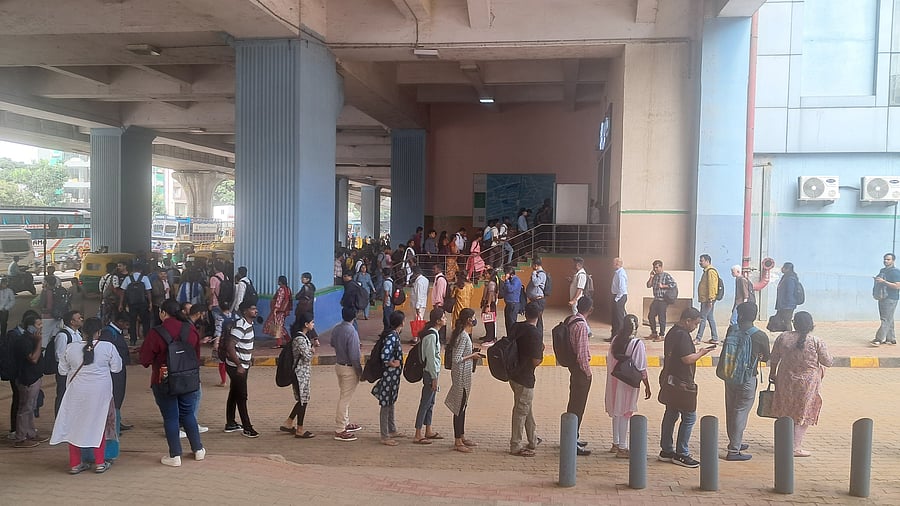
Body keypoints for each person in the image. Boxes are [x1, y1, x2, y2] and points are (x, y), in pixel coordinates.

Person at [50, 317, 121, 474]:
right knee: (99, 425)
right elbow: (117, 368)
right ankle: (100, 463)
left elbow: (62, 371)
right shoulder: (108, 347)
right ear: (99, 332)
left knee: (74, 426)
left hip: (76, 393)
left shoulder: (70, 347)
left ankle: (75, 464)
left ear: (82, 331)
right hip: (100, 394)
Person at [139, 299, 205, 466]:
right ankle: (198, 450)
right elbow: (196, 356)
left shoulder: (156, 332)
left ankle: (175, 456)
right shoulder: (190, 329)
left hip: (164, 381)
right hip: (189, 379)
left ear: (163, 313)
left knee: (171, 417)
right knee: (188, 413)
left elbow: (145, 360)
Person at [769, 311, 834, 457]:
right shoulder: (816, 341)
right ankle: (795, 447)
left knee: (785, 411)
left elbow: (774, 358)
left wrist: (772, 373)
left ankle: (782, 442)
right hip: (808, 383)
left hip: (785, 379)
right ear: (811, 324)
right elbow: (828, 362)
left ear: (794, 323)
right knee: (803, 413)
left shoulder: (783, 337)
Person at [658, 307, 714, 468]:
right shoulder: (682, 336)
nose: (695, 327)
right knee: (689, 417)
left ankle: (666, 450)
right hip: (682, 383)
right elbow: (688, 359)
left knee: (671, 413)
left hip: (670, 379)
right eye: (695, 324)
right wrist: (702, 352)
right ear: (687, 320)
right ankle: (681, 453)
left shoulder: (672, 332)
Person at [718, 302, 770, 461]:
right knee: (741, 411)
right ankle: (734, 450)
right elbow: (766, 357)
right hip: (747, 378)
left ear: (739, 315)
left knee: (731, 409)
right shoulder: (759, 335)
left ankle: (735, 441)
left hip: (729, 376)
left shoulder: (731, 330)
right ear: (755, 316)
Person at [606, 313, 650, 459]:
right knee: (625, 412)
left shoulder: (615, 341)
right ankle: (623, 448)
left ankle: (616, 442)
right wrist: (647, 385)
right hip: (628, 383)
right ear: (636, 327)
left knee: (617, 412)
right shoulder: (637, 344)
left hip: (615, 381)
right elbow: (641, 367)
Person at [508, 302, 544, 457]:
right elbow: (536, 361)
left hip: (513, 374)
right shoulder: (535, 334)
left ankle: (533, 439)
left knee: (525, 407)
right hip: (525, 377)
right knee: (521, 410)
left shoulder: (516, 327)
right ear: (539, 314)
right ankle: (515, 444)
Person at [444, 308, 481, 453]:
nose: (474, 320)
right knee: (459, 408)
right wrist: (471, 356)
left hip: (465, 375)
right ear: (468, 320)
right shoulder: (464, 336)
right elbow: (456, 358)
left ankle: (462, 436)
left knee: (463, 406)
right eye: (473, 317)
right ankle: (457, 440)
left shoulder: (464, 334)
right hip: (461, 376)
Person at [221, 301, 259, 438]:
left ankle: (230, 423)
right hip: (236, 367)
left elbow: (245, 344)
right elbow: (230, 346)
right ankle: (247, 428)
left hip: (243, 365)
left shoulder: (249, 324)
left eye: (255, 308)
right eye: (252, 308)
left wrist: (248, 359)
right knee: (242, 396)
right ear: (244, 311)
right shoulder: (240, 325)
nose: (255, 310)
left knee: (234, 393)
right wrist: (239, 365)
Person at [11, 313, 48, 448]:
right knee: (25, 408)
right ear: (30, 327)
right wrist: (39, 342)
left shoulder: (30, 339)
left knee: (30, 407)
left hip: (34, 378)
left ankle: (30, 433)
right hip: (27, 379)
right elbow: (33, 359)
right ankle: (20, 437)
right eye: (38, 325)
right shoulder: (24, 341)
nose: (41, 327)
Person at [372, 310, 406, 446]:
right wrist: (393, 363)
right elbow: (385, 354)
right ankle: (384, 435)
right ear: (401, 323)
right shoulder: (392, 336)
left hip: (393, 376)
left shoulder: (394, 334)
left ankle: (391, 429)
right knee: (386, 403)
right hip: (389, 375)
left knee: (391, 401)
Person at [566, 297, 594, 456]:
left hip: (572, 368)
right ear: (590, 310)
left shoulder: (571, 320)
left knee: (573, 403)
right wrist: (588, 373)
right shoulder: (582, 326)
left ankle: (571, 436)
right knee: (578, 406)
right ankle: (572, 441)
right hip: (580, 371)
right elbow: (582, 355)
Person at [281, 312, 316, 439]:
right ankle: (300, 429)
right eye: (312, 322)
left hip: (303, 373)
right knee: (303, 401)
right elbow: (307, 357)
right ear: (306, 324)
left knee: (303, 399)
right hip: (299, 374)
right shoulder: (300, 339)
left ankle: (289, 423)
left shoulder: (302, 337)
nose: (313, 324)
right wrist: (312, 351)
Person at [413, 307, 445, 445]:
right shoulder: (432, 336)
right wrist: (434, 378)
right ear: (437, 321)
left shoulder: (433, 334)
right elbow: (431, 359)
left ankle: (428, 429)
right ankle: (418, 433)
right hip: (430, 373)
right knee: (425, 403)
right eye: (443, 317)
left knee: (431, 402)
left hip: (432, 372)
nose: (445, 319)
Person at [99, 312, 132, 444]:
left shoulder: (115, 332)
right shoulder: (108, 333)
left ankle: (117, 421)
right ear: (119, 321)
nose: (127, 326)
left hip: (119, 368)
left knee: (119, 395)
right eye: (126, 324)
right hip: (113, 371)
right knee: (114, 396)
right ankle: (112, 424)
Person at [332, 307, 363, 442]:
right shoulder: (352, 332)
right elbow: (354, 355)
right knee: (345, 398)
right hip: (349, 368)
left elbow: (333, 343)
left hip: (339, 364)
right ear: (354, 316)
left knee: (345, 396)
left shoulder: (337, 329)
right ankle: (340, 428)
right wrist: (359, 371)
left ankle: (345, 422)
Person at [53, 310, 84, 416]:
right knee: (62, 396)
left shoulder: (78, 334)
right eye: (78, 318)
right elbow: (59, 355)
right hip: (65, 372)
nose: (81, 320)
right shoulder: (63, 335)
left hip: (76, 371)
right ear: (72, 321)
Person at [120, 263, 152, 345]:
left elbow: (123, 291)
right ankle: (147, 339)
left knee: (132, 321)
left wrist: (121, 304)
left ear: (133, 270)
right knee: (145, 321)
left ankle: (133, 340)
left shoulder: (128, 278)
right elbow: (148, 291)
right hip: (143, 303)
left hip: (132, 303)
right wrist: (150, 303)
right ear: (141, 270)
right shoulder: (144, 278)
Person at [873, 253, 900, 346]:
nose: (885, 261)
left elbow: (897, 286)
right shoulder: (883, 270)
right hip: (882, 297)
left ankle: (878, 339)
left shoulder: (895, 272)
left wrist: (883, 282)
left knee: (885, 319)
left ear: (893, 261)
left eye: (888, 259)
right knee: (889, 318)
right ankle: (891, 339)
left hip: (891, 298)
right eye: (885, 259)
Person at [647, 260, 676, 340]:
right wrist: (651, 277)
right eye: (654, 267)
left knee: (661, 317)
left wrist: (663, 286)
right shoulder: (655, 276)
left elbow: (673, 284)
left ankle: (662, 334)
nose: (655, 269)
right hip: (656, 299)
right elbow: (648, 285)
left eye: (657, 267)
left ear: (661, 267)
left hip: (663, 300)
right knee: (651, 316)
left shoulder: (666, 275)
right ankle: (653, 332)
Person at [696, 254, 720, 344]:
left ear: (707, 261)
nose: (700, 262)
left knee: (702, 318)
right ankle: (715, 338)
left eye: (701, 261)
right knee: (710, 318)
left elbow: (712, 286)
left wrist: (710, 299)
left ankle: (698, 338)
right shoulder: (706, 271)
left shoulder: (710, 271)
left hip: (708, 300)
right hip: (706, 299)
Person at [263, 275, 292, 348]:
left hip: (279, 310)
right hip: (284, 311)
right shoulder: (288, 289)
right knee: (280, 326)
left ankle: (279, 343)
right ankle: (288, 340)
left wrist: (276, 309)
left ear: (280, 281)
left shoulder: (281, 289)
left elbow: (279, 300)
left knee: (277, 326)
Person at [775, 262, 801, 333]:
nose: (781, 269)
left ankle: (789, 336)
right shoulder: (785, 277)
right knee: (783, 321)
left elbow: (789, 292)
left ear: (787, 269)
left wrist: (786, 305)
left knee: (787, 321)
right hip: (783, 304)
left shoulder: (790, 279)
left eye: (783, 267)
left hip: (788, 305)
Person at [525, 259, 548, 335]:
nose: (531, 266)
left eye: (532, 265)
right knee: (534, 319)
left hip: (538, 301)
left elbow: (536, 283)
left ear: (536, 265)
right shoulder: (537, 273)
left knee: (538, 320)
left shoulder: (541, 274)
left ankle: (539, 338)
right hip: (534, 300)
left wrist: (534, 274)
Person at [609, 257, 628, 341]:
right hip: (616, 296)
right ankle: (614, 336)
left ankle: (619, 337)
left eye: (614, 263)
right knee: (614, 317)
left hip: (620, 297)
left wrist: (617, 299)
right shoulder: (617, 273)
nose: (612, 264)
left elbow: (622, 288)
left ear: (617, 264)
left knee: (619, 318)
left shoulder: (621, 273)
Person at [500, 266, 522, 338]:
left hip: (513, 304)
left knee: (511, 322)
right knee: (508, 322)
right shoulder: (510, 281)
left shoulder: (516, 280)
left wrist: (506, 280)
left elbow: (510, 289)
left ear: (511, 274)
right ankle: (509, 336)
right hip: (508, 304)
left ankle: (512, 337)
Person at [480, 266, 498, 343]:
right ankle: (488, 335)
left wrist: (488, 305)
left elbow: (490, 294)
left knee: (489, 320)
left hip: (490, 303)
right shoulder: (489, 282)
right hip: (488, 302)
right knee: (487, 320)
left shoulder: (491, 283)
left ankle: (490, 337)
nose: (485, 275)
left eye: (487, 273)